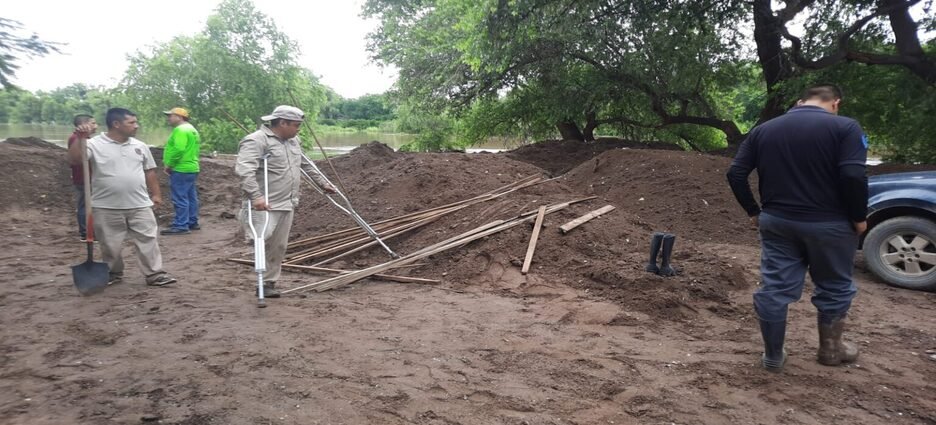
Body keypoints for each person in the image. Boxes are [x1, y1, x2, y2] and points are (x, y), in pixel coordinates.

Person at [726, 84, 868, 373]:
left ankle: (773, 356)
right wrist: (858, 217)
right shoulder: (846, 128)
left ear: (799, 102)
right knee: (835, 286)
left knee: (774, 289)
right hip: (831, 224)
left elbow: (735, 173)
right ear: (835, 103)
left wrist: (753, 211)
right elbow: (853, 174)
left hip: (777, 222)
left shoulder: (764, 129)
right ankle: (831, 351)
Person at [67, 108, 177, 287]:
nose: (136, 126)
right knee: (110, 244)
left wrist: (156, 194)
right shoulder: (94, 144)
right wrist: (81, 140)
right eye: (131, 123)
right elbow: (74, 160)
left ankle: (154, 274)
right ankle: (113, 272)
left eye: (136, 122)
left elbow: (149, 171)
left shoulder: (139, 146)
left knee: (148, 239)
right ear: (116, 124)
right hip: (106, 204)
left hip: (139, 203)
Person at [235, 105, 336, 298]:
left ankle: (268, 283)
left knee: (278, 246)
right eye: (296, 125)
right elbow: (245, 170)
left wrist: (323, 183)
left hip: (287, 202)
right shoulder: (256, 140)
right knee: (261, 241)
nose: (299, 129)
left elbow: (306, 164)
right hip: (264, 203)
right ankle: (261, 277)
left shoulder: (293, 141)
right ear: (282, 123)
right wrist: (256, 196)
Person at [160, 107, 202, 235]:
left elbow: (179, 149)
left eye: (171, 115)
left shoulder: (180, 130)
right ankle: (191, 221)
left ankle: (181, 225)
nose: (169, 118)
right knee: (191, 196)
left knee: (180, 197)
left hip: (181, 168)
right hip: (192, 167)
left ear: (179, 117)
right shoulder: (192, 129)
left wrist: (170, 165)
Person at [67, 114, 98, 240]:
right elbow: (75, 158)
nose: (96, 126)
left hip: (87, 177)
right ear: (84, 124)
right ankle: (86, 232)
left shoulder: (85, 138)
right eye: (93, 123)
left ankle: (89, 230)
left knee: (87, 204)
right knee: (85, 205)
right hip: (83, 178)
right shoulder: (76, 138)